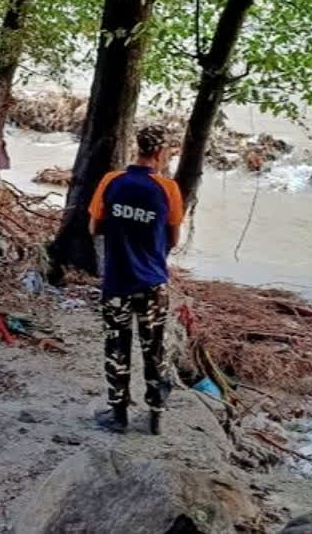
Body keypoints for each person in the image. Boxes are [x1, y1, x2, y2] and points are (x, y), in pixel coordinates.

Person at [87, 125, 184, 434]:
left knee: (117, 345)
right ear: (161, 153)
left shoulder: (111, 181)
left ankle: (118, 415)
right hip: (153, 283)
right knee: (154, 348)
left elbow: (93, 227)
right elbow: (174, 238)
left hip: (117, 282)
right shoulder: (168, 189)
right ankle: (155, 416)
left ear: (137, 148)